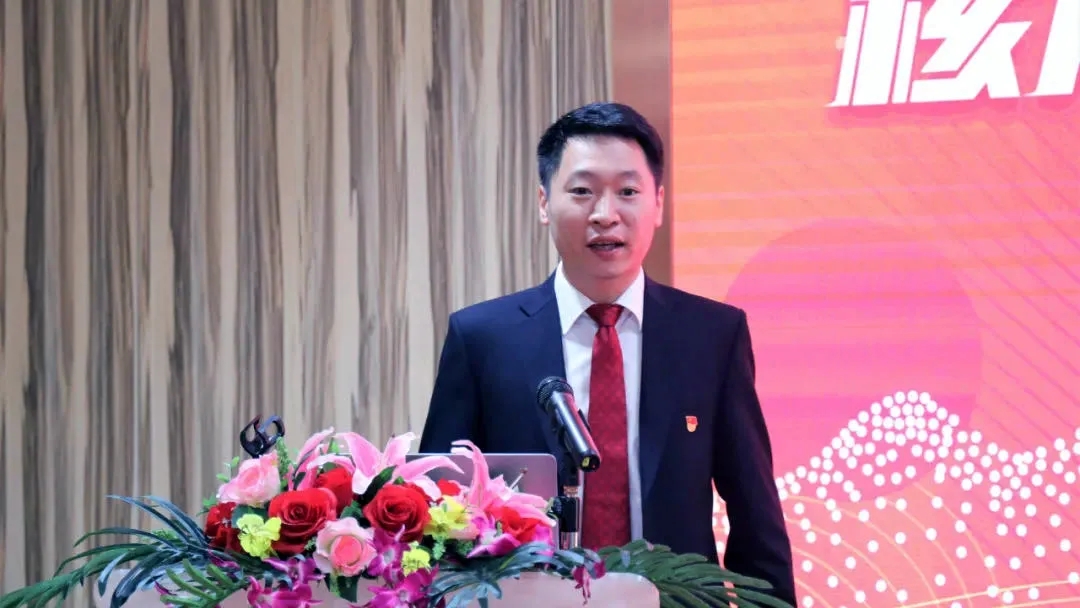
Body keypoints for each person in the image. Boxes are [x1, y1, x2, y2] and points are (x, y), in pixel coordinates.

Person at [418, 102, 796, 605]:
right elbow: (439, 511)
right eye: (582, 191)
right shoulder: (483, 338)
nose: (605, 214)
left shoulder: (711, 335)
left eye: (628, 192)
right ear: (544, 202)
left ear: (657, 203)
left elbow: (754, 511)